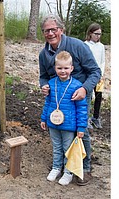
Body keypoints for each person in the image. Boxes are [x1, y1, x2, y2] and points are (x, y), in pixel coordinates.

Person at [39, 14, 101, 186]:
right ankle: (59, 166)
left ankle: (84, 168)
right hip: (58, 96)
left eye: (54, 29)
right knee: (61, 135)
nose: (50, 33)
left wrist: (84, 88)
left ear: (61, 29)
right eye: (46, 31)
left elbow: (95, 71)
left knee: (81, 131)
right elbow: (43, 77)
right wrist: (44, 86)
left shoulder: (77, 46)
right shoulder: (43, 54)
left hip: (79, 92)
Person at [41, 51, 88, 185]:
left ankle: (68, 172)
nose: (63, 71)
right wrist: (44, 118)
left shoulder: (77, 86)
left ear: (71, 68)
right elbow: (48, 103)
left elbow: (82, 109)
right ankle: (56, 168)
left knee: (68, 149)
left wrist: (81, 127)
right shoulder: (51, 83)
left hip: (68, 125)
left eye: (66, 68)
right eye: (59, 68)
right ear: (55, 68)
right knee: (56, 147)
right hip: (52, 123)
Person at [84, 23, 106, 129]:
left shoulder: (101, 46)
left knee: (98, 96)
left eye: (100, 34)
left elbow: (102, 62)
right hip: (88, 75)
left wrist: (100, 74)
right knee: (87, 96)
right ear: (90, 33)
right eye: (96, 33)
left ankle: (95, 117)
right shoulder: (86, 45)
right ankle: (86, 118)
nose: (98, 36)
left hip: (98, 75)